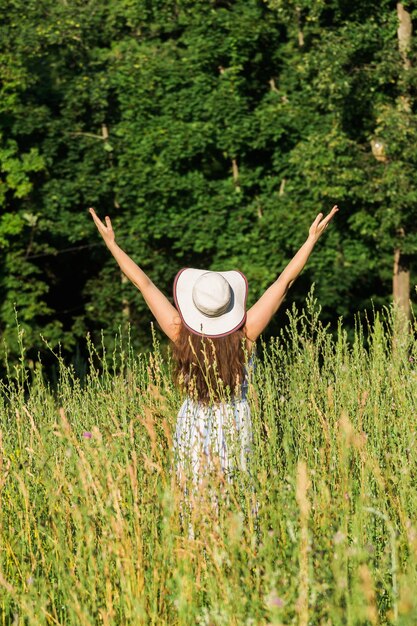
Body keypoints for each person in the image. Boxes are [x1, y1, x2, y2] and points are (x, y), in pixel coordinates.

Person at [89, 205, 338, 485]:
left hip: (192, 422)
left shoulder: (179, 332)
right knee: (235, 495)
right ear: (229, 304)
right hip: (235, 422)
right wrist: (310, 240)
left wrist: (112, 244)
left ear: (194, 305)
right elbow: (284, 282)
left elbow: (143, 284)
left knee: (194, 497)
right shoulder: (245, 335)